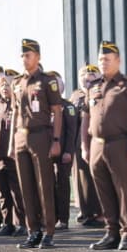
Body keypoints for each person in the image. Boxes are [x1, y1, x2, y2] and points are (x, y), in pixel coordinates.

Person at [83, 41, 127, 251]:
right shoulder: (93, 87)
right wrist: (85, 146)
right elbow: (86, 118)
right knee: (103, 189)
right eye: (101, 59)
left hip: (120, 143)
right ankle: (111, 232)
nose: (103, 63)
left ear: (118, 61)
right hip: (97, 145)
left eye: (107, 59)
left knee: (123, 190)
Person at [12, 39, 64, 250]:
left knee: (44, 186)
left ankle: (48, 231)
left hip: (41, 136)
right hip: (21, 137)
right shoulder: (17, 82)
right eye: (23, 55)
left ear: (38, 57)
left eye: (29, 55)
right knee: (26, 188)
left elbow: (57, 111)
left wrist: (57, 140)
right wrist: (11, 144)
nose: (25, 59)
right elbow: (16, 112)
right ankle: (33, 230)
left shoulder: (47, 81)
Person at [0, 68, 25, 237]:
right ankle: (7, 223)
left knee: (18, 191)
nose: (3, 88)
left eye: (7, 84)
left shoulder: (19, 105)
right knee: (2, 192)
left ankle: (23, 223)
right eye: (1, 85)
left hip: (13, 155)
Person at [71, 67, 103, 228]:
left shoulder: (101, 92)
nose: (87, 78)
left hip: (96, 140)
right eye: (83, 75)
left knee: (97, 176)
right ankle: (85, 211)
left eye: (91, 76)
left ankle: (100, 212)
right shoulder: (76, 96)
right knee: (81, 179)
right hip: (78, 142)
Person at [51, 71, 77, 232]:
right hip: (47, 153)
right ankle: (51, 217)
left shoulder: (68, 106)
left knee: (62, 186)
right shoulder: (45, 106)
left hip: (63, 154)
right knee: (49, 186)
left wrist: (68, 151)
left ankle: (64, 219)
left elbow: (71, 131)